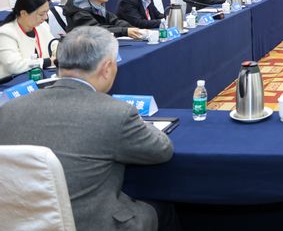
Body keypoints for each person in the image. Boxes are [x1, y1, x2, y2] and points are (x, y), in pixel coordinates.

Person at [0, 27, 176, 230]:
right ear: (107, 68)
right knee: (162, 208)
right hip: (92, 224)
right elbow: (162, 150)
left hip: (18, 222)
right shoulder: (115, 113)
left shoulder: (9, 109)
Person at [0, 0, 57, 79]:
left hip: (40, 77)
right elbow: (14, 65)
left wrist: (59, 53)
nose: (45, 17)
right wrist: (48, 61)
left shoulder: (42, 26)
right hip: (14, 82)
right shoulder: (6, 33)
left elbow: (54, 45)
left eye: (47, 12)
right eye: (41, 14)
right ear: (23, 13)